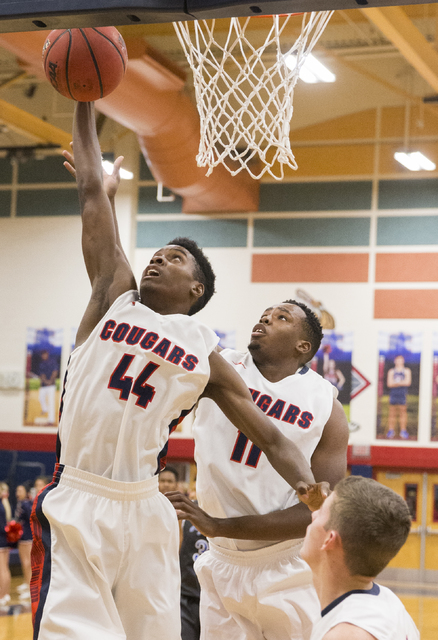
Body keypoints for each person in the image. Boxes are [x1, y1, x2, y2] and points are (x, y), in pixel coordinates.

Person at [29, 101, 326, 640]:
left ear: (196, 292)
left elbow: (271, 438)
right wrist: (83, 99)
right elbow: (93, 193)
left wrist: (315, 495)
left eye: (175, 259)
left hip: (145, 508)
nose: (158, 260)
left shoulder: (203, 356)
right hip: (78, 494)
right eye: (158, 253)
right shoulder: (113, 297)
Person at [168, 300, 349, 640]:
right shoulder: (221, 365)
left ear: (303, 346)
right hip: (220, 557)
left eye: (281, 318)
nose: (266, 318)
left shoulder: (326, 405)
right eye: (265, 314)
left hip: (286, 563)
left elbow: (316, 511)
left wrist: (221, 525)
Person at [300, 475, 419, 640]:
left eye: (320, 512)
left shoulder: (347, 634)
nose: (312, 515)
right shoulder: (387, 601)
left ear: (329, 540)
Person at [386, 355, 412, 440]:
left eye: (401, 360)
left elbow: (408, 382)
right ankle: (391, 430)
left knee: (403, 412)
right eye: (397, 360)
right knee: (392, 413)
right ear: (395, 361)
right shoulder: (391, 371)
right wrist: (401, 382)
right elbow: (389, 384)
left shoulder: (406, 371)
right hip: (393, 394)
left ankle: (403, 431)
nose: (399, 362)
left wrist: (396, 382)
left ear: (403, 361)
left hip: (402, 394)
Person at [15, 483, 33, 601]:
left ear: (26, 493)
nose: (18, 493)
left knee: (28, 563)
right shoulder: (20, 504)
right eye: (17, 491)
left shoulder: (27, 504)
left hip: (27, 536)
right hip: (22, 536)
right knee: (24, 562)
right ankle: (26, 583)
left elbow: (31, 518)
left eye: (20, 491)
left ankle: (31, 588)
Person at [36, 350, 59, 425]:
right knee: (41, 398)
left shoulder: (53, 362)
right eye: (42, 355)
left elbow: (55, 372)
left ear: (47, 354)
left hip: (51, 385)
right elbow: (42, 374)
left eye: (44, 354)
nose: (43, 356)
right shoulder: (41, 364)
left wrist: (50, 381)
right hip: (44, 385)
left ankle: (51, 420)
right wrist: (46, 381)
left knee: (51, 402)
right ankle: (45, 409)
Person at [0, 482, 11, 607]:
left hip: (1, 540)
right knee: (4, 568)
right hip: (4, 540)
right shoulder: (4, 504)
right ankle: (5, 594)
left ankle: (3, 595)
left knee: (2, 569)